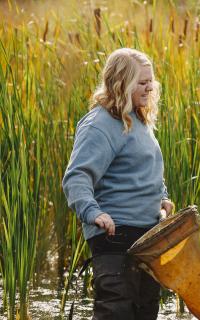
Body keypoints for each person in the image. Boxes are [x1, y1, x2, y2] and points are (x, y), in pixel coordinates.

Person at [62, 48, 174, 320]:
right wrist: (93, 212)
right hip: (114, 236)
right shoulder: (100, 124)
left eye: (151, 81)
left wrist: (162, 197)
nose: (150, 87)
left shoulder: (137, 118)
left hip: (147, 235)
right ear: (121, 82)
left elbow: (145, 169)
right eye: (142, 82)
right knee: (117, 311)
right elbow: (76, 177)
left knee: (145, 309)